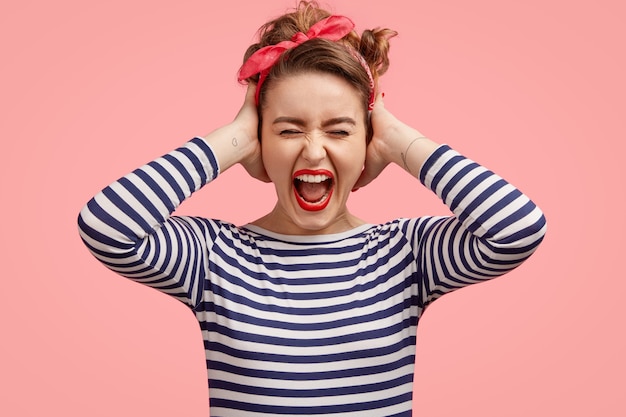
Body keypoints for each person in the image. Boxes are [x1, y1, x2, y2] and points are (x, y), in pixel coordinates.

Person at [77, 1, 547, 415]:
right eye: (287, 130)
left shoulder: (407, 252)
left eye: (340, 131)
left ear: (369, 142)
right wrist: (235, 137)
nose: (315, 152)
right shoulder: (212, 256)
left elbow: (518, 230)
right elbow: (105, 227)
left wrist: (398, 140)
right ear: (260, 145)